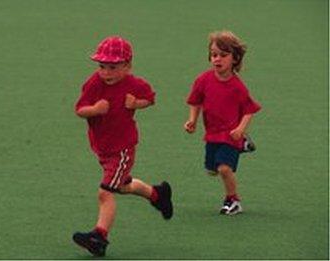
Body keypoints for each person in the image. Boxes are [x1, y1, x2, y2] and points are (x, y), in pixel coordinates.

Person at [73, 36, 174, 257]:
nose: (106, 73)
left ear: (127, 66)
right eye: (102, 66)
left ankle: (99, 236)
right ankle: (157, 195)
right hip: (102, 147)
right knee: (121, 186)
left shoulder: (135, 84)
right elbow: (80, 109)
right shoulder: (94, 83)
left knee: (105, 192)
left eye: (113, 67)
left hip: (122, 148)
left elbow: (150, 97)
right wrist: (95, 110)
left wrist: (137, 104)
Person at [184, 31, 261, 216]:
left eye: (223, 55)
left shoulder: (237, 87)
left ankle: (233, 200)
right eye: (214, 54)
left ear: (235, 59)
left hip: (231, 134)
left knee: (224, 168)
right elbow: (195, 101)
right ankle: (243, 144)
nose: (217, 59)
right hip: (212, 134)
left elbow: (250, 110)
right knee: (212, 169)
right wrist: (192, 120)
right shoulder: (203, 80)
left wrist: (240, 129)